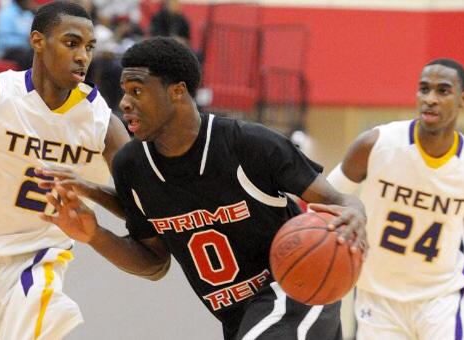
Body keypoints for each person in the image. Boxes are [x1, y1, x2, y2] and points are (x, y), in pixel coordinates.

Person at [40, 37, 367, 340]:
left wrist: (356, 216)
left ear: (177, 91)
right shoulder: (132, 167)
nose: (124, 102)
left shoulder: (248, 144)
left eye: (137, 91)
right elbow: (155, 263)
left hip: (296, 290)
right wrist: (95, 235)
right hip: (238, 317)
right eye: (124, 91)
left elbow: (338, 200)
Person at [0, 2, 130, 339]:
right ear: (37, 41)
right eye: (71, 43)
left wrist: (92, 192)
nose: (82, 57)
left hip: (35, 261)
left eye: (89, 48)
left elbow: (142, 202)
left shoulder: (102, 123)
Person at [327, 58, 464, 339]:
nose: (430, 99)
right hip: (377, 295)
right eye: (424, 89)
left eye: (442, 91)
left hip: (442, 297)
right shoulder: (376, 145)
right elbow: (325, 197)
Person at [0, 0, 35, 69]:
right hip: (8, 51)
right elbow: (4, 39)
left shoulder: (28, 14)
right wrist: (25, 40)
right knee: (30, 59)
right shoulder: (6, 13)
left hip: (25, 50)